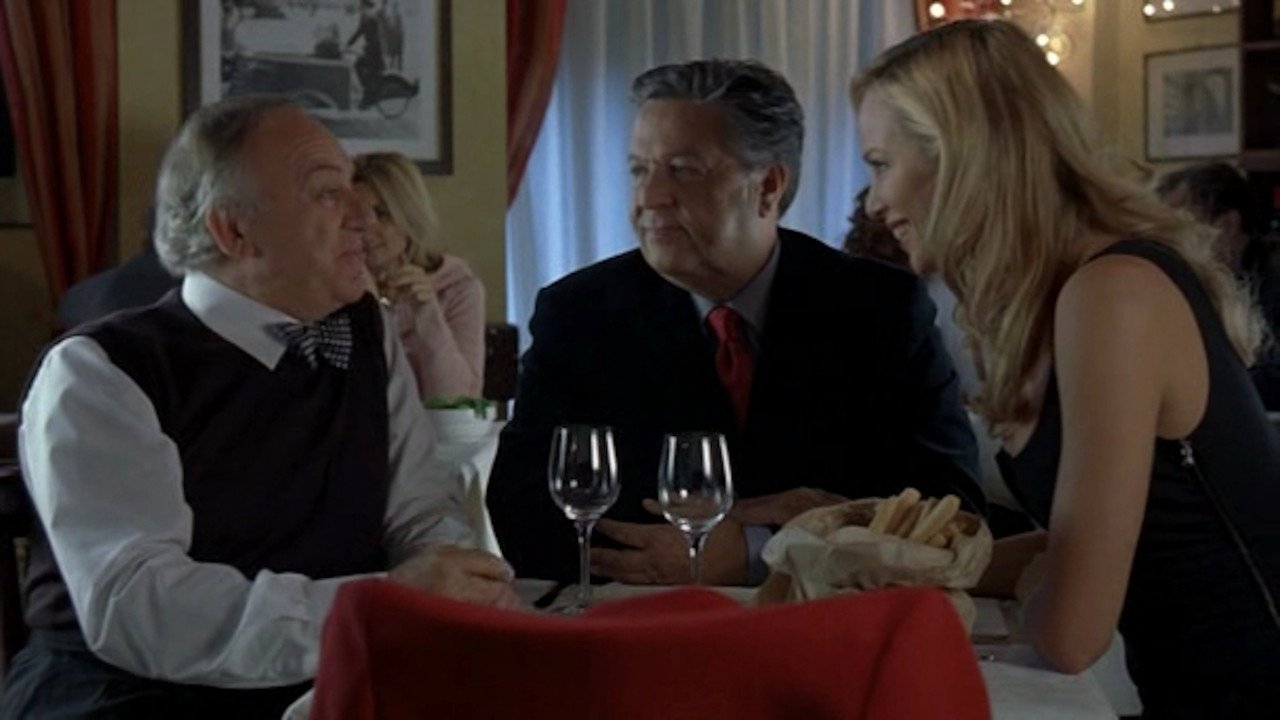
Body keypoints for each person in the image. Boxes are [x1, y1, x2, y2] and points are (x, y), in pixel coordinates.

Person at [1, 96, 518, 719]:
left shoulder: (363, 331)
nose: (363, 215)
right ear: (233, 231)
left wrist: (452, 580)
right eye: (328, 193)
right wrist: (381, 606)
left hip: (329, 682)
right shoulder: (100, 370)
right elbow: (141, 609)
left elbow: (417, 511)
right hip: (129, 698)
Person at [852, 19, 1280, 717]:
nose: (873, 202)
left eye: (879, 163)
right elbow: (1091, 546)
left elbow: (1070, 634)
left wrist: (1002, 595)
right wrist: (889, 567)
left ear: (963, 157)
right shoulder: (1068, 294)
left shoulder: (1113, 293)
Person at [486, 59, 983, 587]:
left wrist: (756, 552)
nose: (649, 198)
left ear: (768, 185)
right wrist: (733, 524)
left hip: (829, 620)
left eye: (683, 170)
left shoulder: (879, 309)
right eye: (639, 170)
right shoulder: (581, 312)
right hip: (645, 620)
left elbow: (953, 512)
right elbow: (523, 513)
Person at [353, 151, 485, 399]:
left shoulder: (458, 288)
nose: (367, 229)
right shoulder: (331, 286)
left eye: (382, 213)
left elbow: (456, 400)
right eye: (357, 217)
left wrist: (427, 315)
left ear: (409, 217)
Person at [1156, 161, 1280, 409]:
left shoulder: (1273, 287)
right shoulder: (1182, 286)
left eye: (1180, 228)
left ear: (1227, 226)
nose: (1169, 243)